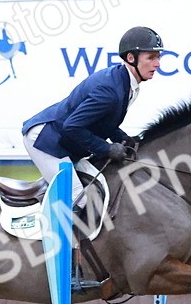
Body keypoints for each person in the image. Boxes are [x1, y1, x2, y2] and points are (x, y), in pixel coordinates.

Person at [21, 26, 164, 213]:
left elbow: (103, 121)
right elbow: (72, 127)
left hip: (64, 140)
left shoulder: (126, 84)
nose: (157, 64)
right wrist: (107, 148)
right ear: (131, 58)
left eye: (158, 57)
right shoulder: (111, 90)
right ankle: (56, 243)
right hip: (45, 139)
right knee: (77, 199)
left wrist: (123, 138)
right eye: (151, 57)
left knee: (98, 189)